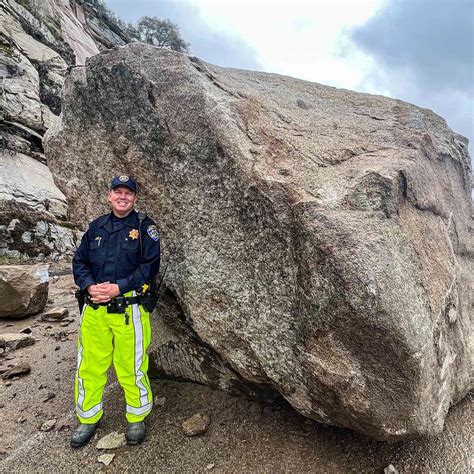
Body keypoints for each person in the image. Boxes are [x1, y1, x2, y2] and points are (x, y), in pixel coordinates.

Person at [70, 175, 160, 448]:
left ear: (134, 198)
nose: (122, 197)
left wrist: (118, 288)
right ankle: (88, 417)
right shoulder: (96, 227)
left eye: (128, 193)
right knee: (89, 366)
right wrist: (89, 286)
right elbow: (79, 261)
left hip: (128, 309)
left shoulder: (145, 228)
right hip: (94, 309)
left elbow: (150, 266)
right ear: (109, 196)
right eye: (117, 192)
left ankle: (136, 416)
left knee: (131, 366)